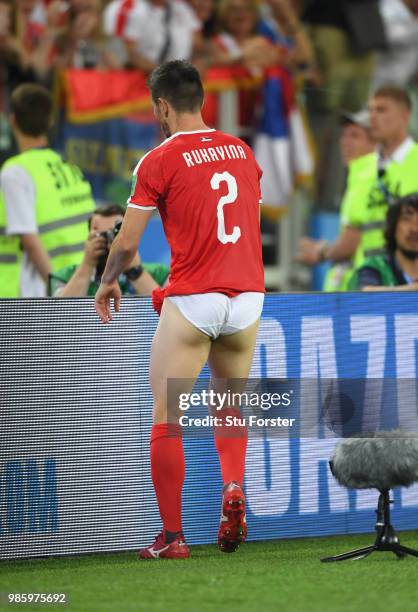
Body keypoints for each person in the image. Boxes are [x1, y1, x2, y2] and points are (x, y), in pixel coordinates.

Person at [95, 60, 264, 559]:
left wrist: (108, 281)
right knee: (230, 406)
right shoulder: (242, 150)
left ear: (162, 107)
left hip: (194, 297)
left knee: (168, 416)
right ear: (203, 100)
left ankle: (171, 538)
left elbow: (126, 246)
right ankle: (233, 488)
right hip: (248, 298)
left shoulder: (159, 160)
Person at [0, 83, 96, 297]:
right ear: (50, 121)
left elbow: (31, 241)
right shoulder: (70, 168)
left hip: (39, 294)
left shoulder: (15, 172)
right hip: (80, 283)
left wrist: (58, 291)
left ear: (13, 120)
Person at [297, 109, 376, 289]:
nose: (345, 142)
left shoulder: (367, 175)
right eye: (344, 135)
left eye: (355, 136)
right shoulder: (361, 174)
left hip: (365, 286)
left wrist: (323, 252)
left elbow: (351, 242)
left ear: (375, 142)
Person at [50, 204, 169, 297]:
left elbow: (169, 315)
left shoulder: (160, 274)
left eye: (115, 234)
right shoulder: (63, 276)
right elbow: (60, 317)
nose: (110, 242)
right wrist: (87, 266)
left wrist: (135, 271)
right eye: (102, 235)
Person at [348, 193, 418, 290]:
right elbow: (366, 294)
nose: (414, 228)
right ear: (393, 226)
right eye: (407, 219)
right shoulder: (374, 268)